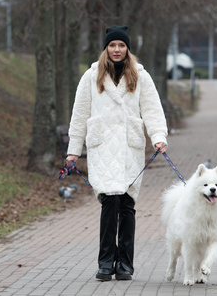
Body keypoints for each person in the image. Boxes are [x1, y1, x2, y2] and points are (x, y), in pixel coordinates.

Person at [66, 25, 168, 281]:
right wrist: (73, 150)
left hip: (129, 147)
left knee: (127, 205)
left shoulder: (141, 76)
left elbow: (153, 109)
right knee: (109, 202)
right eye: (112, 45)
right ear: (106, 48)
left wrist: (158, 138)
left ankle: (125, 265)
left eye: (121, 45)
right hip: (101, 146)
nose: (117, 50)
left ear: (127, 49)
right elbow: (80, 114)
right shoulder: (91, 76)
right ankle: (105, 262)